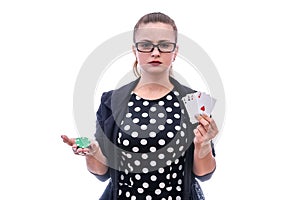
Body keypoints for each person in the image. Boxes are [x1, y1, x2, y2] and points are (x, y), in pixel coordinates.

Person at [61, 12, 219, 200]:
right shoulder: (111, 101)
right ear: (134, 50)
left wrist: (204, 145)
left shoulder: (193, 101)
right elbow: (102, 173)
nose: (155, 52)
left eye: (164, 45)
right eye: (145, 45)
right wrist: (93, 152)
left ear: (175, 51)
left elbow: (204, 173)